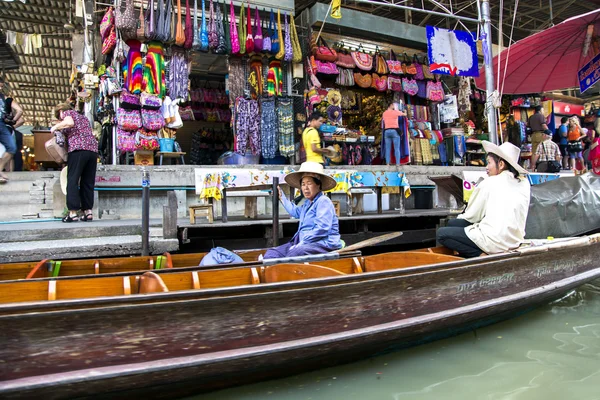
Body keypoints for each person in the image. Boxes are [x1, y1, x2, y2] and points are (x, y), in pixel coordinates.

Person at [437, 141, 531, 258]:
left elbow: (472, 216)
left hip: (494, 240)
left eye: (489, 163)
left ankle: (481, 255)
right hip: (514, 240)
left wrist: (460, 218)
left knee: (443, 232)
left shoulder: (490, 182)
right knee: (455, 224)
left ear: (501, 164)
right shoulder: (524, 183)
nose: (486, 167)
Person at [263, 162, 343, 259]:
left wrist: (302, 243)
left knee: (295, 253)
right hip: (302, 243)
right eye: (303, 184)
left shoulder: (323, 201)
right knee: (272, 253)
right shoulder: (307, 203)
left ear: (318, 185)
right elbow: (295, 212)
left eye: (309, 184)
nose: (305, 188)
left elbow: (322, 228)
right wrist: (282, 197)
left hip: (322, 244)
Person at [50, 103, 99, 222]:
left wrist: (55, 127)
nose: (60, 118)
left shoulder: (68, 113)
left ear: (61, 111)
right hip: (92, 151)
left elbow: (70, 122)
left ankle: (72, 213)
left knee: (72, 180)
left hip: (78, 150)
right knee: (87, 182)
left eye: (59, 115)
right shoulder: (83, 118)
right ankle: (88, 212)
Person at [0, 77, 16, 183]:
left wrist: (8, 119)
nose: (0, 88)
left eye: (1, 86)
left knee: (12, 147)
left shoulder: (2, 96)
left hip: (2, 124)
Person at [3, 96, 24, 171]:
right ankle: (10, 176)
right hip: (6, 129)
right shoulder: (8, 100)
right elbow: (20, 111)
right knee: (9, 155)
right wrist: (12, 123)